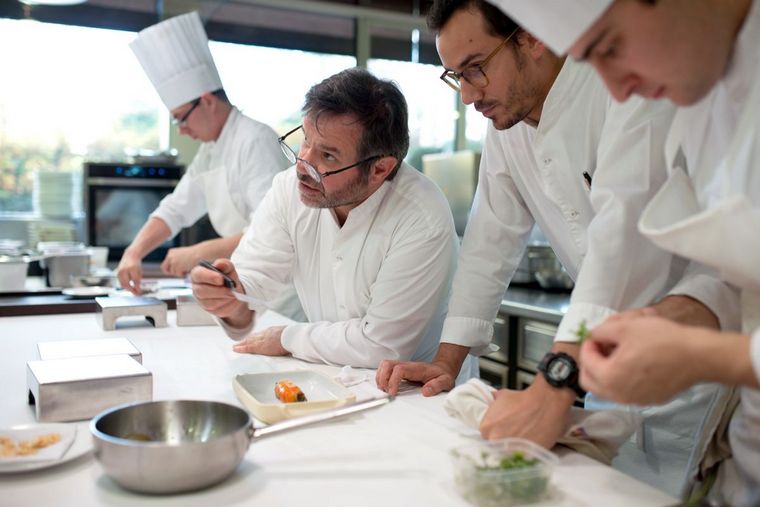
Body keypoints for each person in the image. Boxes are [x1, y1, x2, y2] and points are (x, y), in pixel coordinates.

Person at [375, 0, 740, 496]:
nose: (466, 95)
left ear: (531, 37)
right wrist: (446, 360)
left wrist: (556, 380)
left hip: (705, 352)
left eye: (475, 69)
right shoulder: (506, 127)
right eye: (454, 76)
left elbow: (620, 232)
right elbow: (488, 244)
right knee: (608, 488)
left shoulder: (627, 84)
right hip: (608, 355)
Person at [488, 0, 760, 504]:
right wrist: (671, 315)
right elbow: (736, 276)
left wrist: (706, 355)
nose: (618, 89)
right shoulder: (703, 92)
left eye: (610, 47)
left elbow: (622, 220)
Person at [191, 68, 460, 369]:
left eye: (328, 157)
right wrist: (228, 294)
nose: (303, 166)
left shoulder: (420, 215)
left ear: (379, 170)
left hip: (418, 397)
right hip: (333, 379)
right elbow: (252, 283)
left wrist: (286, 338)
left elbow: (382, 346)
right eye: (305, 141)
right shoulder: (287, 189)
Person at [117, 11, 287, 294]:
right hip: (244, 287)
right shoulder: (211, 149)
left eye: (181, 118)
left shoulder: (255, 140)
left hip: (278, 293)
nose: (181, 129)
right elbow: (176, 208)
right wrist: (133, 252)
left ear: (207, 101)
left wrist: (199, 252)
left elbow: (272, 232)